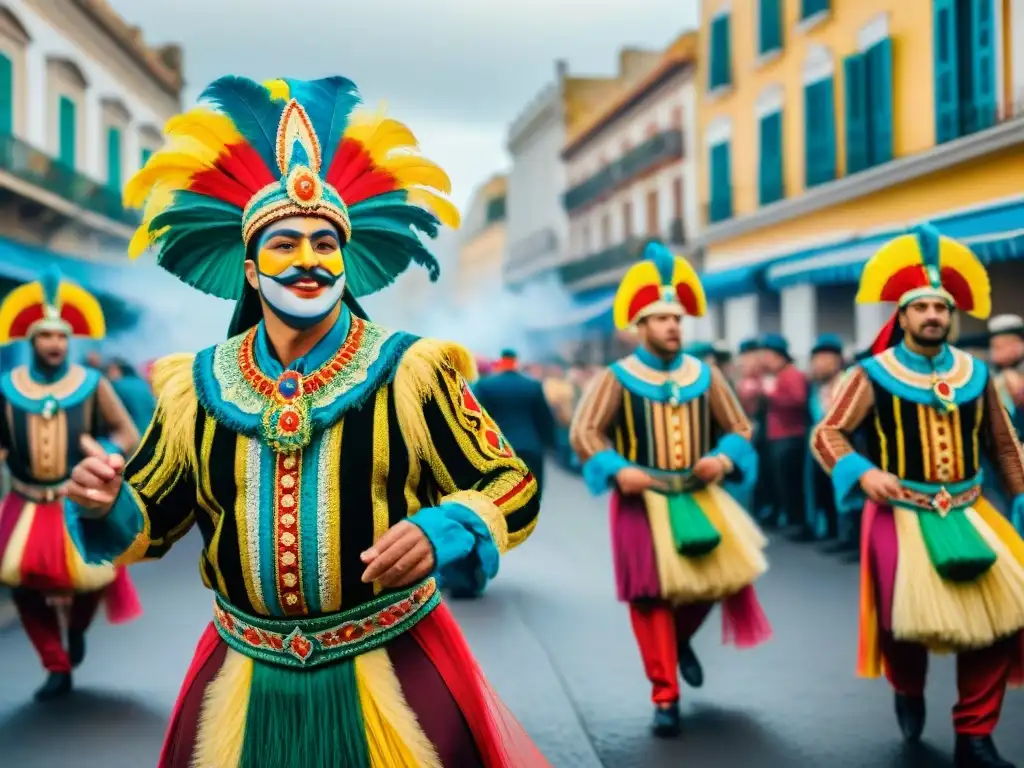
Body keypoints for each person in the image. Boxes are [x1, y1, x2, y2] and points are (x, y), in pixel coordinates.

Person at [64, 75, 549, 767]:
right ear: (252, 272)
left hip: (394, 663)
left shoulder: (410, 370)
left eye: (326, 244)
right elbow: (153, 519)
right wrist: (108, 501)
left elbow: (510, 483)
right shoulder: (193, 386)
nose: (309, 260)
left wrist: (449, 525)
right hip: (244, 676)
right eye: (285, 244)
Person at [811, 225, 1024, 768]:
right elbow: (826, 433)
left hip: (972, 509)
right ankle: (907, 688)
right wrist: (861, 473)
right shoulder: (870, 374)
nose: (932, 315)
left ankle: (974, 734)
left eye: (940, 307)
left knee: (1002, 619)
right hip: (898, 511)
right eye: (921, 307)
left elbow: (1002, 445)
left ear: (951, 315)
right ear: (901, 316)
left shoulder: (977, 374)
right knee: (898, 623)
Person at [569, 240, 771, 738]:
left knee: (719, 583)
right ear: (640, 326)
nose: (673, 326)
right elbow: (584, 432)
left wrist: (722, 458)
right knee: (650, 598)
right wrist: (618, 469)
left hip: (700, 495)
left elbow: (740, 429)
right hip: (640, 501)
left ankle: (678, 644)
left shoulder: (707, 374)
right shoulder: (615, 378)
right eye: (662, 319)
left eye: (678, 318)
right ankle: (665, 695)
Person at [0, 267, 141, 700]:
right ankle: (54, 664)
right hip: (23, 502)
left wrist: (102, 450)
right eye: (46, 336)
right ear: (31, 341)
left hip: (78, 502)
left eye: (62, 336)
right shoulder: (6, 388)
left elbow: (127, 434)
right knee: (21, 587)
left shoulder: (92, 384)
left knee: (94, 579)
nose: (55, 344)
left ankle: (76, 630)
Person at [474, 349, 556, 490]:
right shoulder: (532, 385)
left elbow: (478, 418)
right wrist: (550, 444)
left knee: (501, 495)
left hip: (498, 448)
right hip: (530, 446)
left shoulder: (485, 386)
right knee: (532, 493)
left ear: (501, 360)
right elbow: (545, 419)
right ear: (515, 361)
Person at [759, 333, 809, 535]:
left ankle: (798, 521)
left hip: (790, 436)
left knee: (791, 482)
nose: (766, 361)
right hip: (778, 436)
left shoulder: (792, 374)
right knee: (781, 481)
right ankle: (788, 517)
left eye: (769, 356)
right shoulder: (779, 376)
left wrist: (772, 395)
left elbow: (798, 400)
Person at [804, 334, 845, 541]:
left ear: (836, 361)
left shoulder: (846, 383)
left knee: (842, 490)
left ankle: (848, 537)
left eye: (823, 360)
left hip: (841, 446)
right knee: (824, 490)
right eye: (815, 361)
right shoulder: (818, 387)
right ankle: (831, 532)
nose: (817, 366)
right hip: (819, 446)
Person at [105, 357, 157, 434]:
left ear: (116, 370)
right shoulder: (144, 384)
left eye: (109, 371)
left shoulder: (117, 386)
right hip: (152, 433)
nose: (108, 374)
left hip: (134, 434)